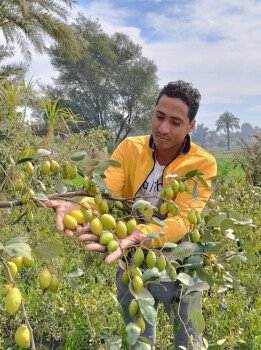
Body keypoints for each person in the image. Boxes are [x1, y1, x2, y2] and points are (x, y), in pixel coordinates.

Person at [45, 80, 217, 349]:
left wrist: (140, 235)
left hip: (181, 265)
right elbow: (107, 193)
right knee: (138, 340)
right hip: (132, 263)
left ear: (191, 126)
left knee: (188, 341)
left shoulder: (203, 163)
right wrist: (81, 208)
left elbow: (183, 218)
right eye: (159, 117)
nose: (163, 128)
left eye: (175, 121)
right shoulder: (129, 148)